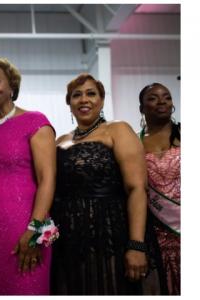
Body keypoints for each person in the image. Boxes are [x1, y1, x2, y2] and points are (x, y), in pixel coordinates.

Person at [51, 73, 159, 295]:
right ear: (68, 103)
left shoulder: (118, 130)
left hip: (111, 233)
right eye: (76, 95)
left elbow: (137, 188)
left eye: (91, 93)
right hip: (70, 240)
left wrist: (136, 245)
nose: (84, 99)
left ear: (101, 100)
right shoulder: (60, 140)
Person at [0, 57, 57, 295]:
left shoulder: (36, 122)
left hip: (26, 231)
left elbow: (48, 180)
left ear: (12, 87)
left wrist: (35, 232)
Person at [139, 83, 180, 295]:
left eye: (167, 97)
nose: (162, 101)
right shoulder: (134, 144)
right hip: (155, 232)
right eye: (153, 98)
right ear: (142, 108)